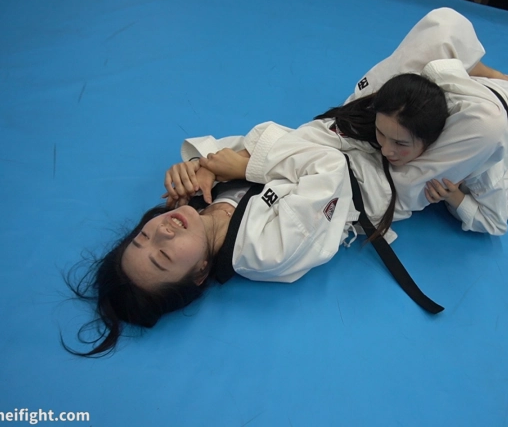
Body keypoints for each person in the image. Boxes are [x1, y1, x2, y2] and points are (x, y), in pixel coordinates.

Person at [65, 73, 449, 357]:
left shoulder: (192, 202)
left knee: (443, 27)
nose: (161, 232)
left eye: (142, 237)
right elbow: (328, 169)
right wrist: (244, 166)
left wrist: (202, 165)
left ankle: (483, 77)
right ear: (200, 272)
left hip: (343, 131)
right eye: (163, 256)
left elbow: (248, 143)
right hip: (383, 179)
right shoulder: (265, 251)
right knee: (478, 121)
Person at [284, 8, 508, 236]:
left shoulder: (480, 143)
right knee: (441, 31)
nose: (386, 149)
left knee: (455, 188)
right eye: (382, 135)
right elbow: (445, 28)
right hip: (487, 92)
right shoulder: (404, 91)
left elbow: (493, 224)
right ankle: (494, 78)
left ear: (431, 141)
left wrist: (454, 197)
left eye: (400, 143)